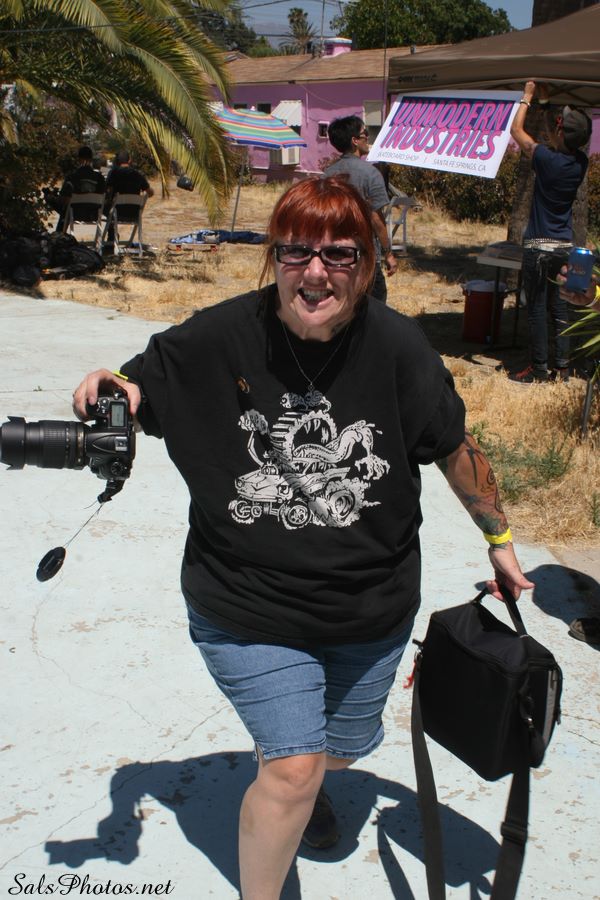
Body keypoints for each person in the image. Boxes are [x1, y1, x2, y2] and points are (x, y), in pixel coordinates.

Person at [72, 177, 533, 900]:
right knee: (292, 768)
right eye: (296, 252)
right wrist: (111, 386)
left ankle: (304, 772)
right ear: (274, 258)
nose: (316, 273)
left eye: (339, 255)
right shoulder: (222, 335)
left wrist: (498, 536)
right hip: (246, 606)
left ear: (366, 265)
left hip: (370, 611)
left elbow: (453, 445)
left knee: (339, 754)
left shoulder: (397, 346)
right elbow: (137, 384)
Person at [509, 80, 592, 384]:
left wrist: (527, 97)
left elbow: (516, 131)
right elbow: (555, 137)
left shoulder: (545, 158)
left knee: (536, 308)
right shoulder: (580, 162)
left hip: (539, 248)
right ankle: (563, 366)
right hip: (563, 248)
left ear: (560, 133)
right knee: (560, 307)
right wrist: (546, 105)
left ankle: (539, 368)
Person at [324, 116, 397, 303]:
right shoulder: (371, 174)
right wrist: (388, 253)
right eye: (365, 133)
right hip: (365, 257)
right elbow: (376, 219)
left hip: (335, 254)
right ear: (355, 140)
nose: (368, 137)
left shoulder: (327, 175)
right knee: (375, 308)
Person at [52, 145, 106, 233]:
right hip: (94, 214)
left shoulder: (72, 176)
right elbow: (103, 197)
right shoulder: (100, 178)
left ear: (79, 159)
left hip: (74, 214)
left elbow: (64, 198)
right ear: (91, 159)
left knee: (63, 208)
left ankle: (60, 233)